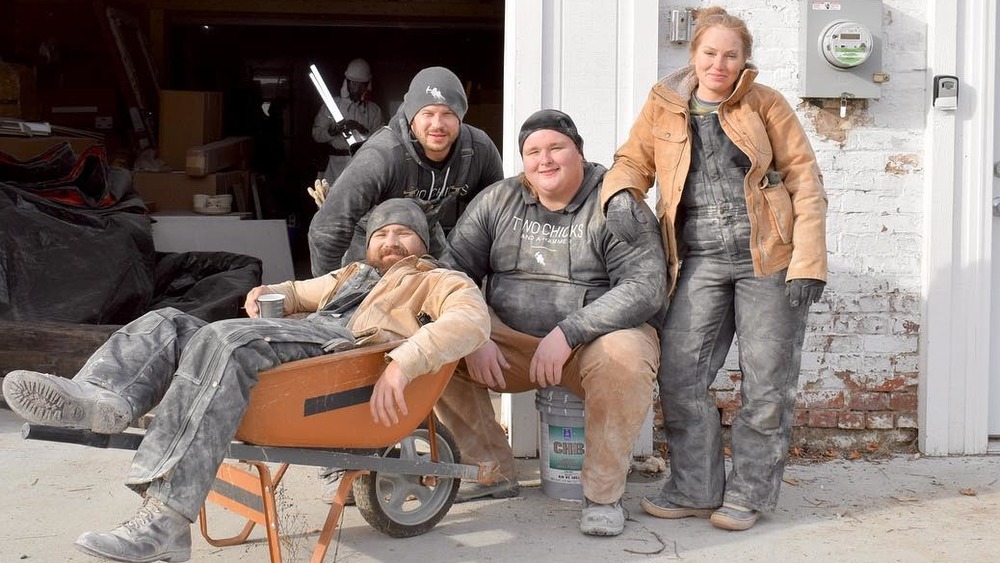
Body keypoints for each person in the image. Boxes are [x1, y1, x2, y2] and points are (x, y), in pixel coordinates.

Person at [1, 199, 490, 563]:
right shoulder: (353, 274)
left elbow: (470, 323)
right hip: (294, 349)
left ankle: (167, 520)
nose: (391, 242)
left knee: (226, 339)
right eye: (382, 233)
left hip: (342, 355)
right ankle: (103, 398)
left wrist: (404, 361)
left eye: (404, 233)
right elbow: (298, 291)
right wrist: (268, 291)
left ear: (425, 244)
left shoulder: (439, 279)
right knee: (168, 321)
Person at [601, 6, 828, 532]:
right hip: (696, 258)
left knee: (767, 382)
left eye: (731, 55)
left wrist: (808, 263)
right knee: (682, 374)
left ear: (744, 61)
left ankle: (748, 494)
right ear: (694, 55)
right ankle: (694, 487)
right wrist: (620, 193)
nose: (718, 64)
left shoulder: (766, 104)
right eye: (710, 53)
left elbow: (805, 181)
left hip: (766, 257)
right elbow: (632, 160)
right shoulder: (663, 106)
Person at [435, 109, 667, 537]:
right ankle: (488, 472)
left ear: (578, 151)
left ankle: (602, 495)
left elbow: (647, 287)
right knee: (437, 341)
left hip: (590, 345)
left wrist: (569, 332)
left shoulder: (615, 202)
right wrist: (476, 331)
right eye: (533, 151)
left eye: (556, 147)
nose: (545, 159)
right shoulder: (497, 200)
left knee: (626, 357)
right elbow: (450, 274)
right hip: (509, 345)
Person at [307, 66, 504, 276]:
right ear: (412, 117)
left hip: (426, 230)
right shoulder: (381, 156)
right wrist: (329, 294)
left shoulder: (478, 151)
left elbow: (496, 222)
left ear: (461, 117)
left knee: (446, 291)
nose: (437, 124)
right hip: (372, 238)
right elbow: (327, 229)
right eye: (427, 113)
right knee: (365, 298)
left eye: (448, 113)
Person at [311, 58, 385, 186]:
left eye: (361, 84)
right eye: (353, 83)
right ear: (347, 83)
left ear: (367, 85)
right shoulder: (332, 105)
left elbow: (382, 140)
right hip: (334, 166)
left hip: (362, 164)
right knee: (332, 202)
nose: (356, 88)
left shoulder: (374, 110)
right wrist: (332, 131)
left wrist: (361, 129)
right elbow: (316, 134)